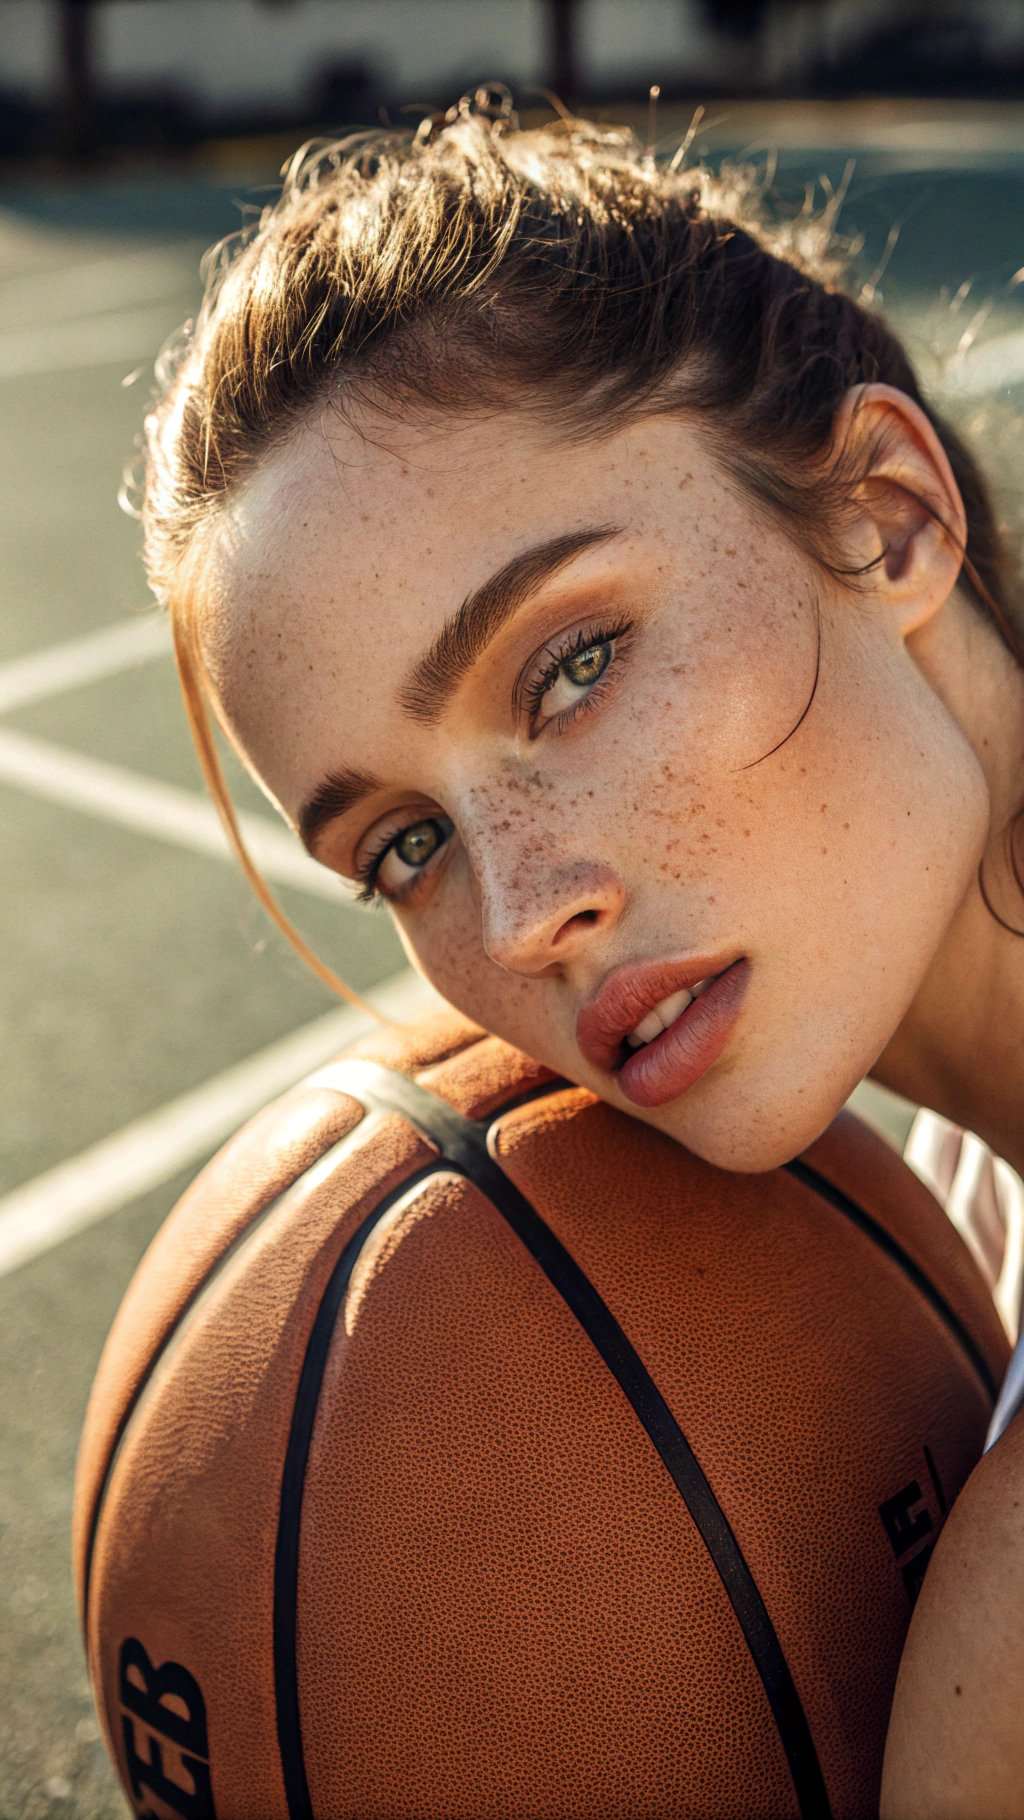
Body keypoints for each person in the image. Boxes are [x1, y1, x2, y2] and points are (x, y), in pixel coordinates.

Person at [137, 89, 1024, 1814]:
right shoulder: (962, 1196)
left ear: (885, 518)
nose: (525, 907)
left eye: (571, 665)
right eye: (405, 845)